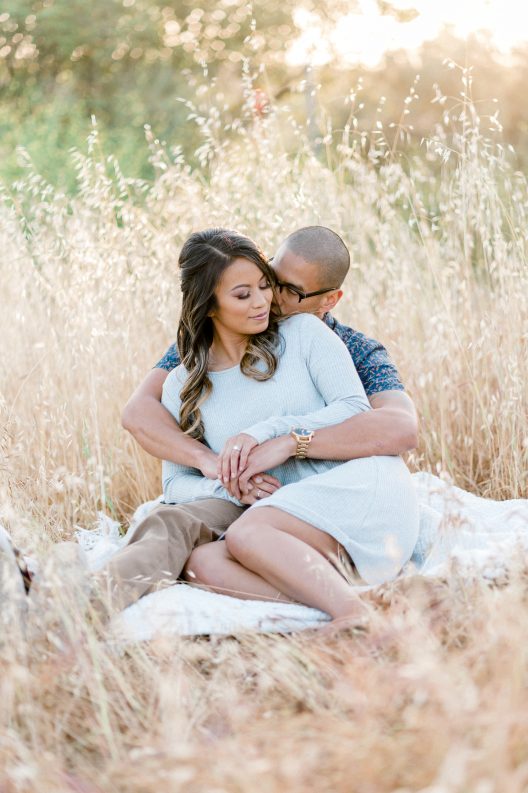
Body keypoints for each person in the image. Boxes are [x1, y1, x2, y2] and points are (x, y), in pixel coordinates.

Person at [154, 227, 419, 624]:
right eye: (267, 280)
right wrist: (229, 480)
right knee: (200, 563)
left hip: (350, 487)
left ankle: (351, 614)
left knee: (247, 535)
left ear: (328, 301)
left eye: (282, 290)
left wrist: (280, 437)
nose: (269, 299)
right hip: (289, 511)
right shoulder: (192, 367)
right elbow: (142, 418)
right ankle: (348, 601)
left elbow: (391, 423)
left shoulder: (330, 339)